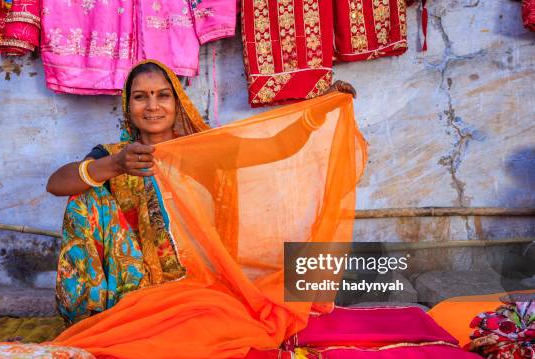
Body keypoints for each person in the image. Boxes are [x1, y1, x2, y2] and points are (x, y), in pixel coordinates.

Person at [47, 59, 357, 325]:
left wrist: (317, 111)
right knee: (85, 194)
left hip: (194, 277)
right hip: (131, 284)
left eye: (163, 95)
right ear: (129, 106)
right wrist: (114, 165)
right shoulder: (115, 154)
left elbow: (276, 147)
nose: (153, 106)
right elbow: (56, 184)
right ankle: (92, 313)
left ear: (177, 101)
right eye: (141, 97)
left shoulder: (204, 150)